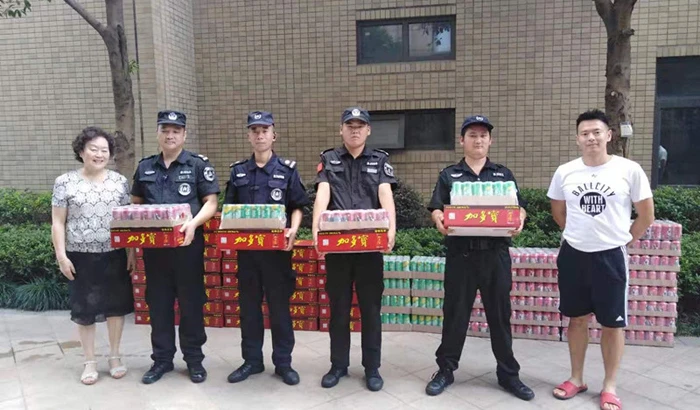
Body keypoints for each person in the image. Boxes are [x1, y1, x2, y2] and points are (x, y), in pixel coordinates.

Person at [548, 109, 654, 410]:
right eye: (585, 133)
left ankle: (609, 386)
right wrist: (579, 235)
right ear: (577, 138)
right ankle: (576, 378)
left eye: (597, 132)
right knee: (576, 318)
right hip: (573, 255)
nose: (591, 138)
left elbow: (646, 215)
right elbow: (559, 212)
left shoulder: (629, 170)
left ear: (609, 135)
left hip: (611, 257)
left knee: (612, 323)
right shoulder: (565, 172)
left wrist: (622, 240)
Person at [425, 115, 534, 401]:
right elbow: (436, 207)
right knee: (455, 314)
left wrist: (520, 219)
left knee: (499, 316)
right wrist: (438, 219)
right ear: (462, 140)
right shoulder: (450, 175)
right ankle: (445, 370)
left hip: (495, 255)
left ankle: (508, 374)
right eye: (472, 135)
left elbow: (519, 207)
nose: (478, 140)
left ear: (490, 140)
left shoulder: (502, 174)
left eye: (483, 135)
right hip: (461, 255)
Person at [131, 110, 220, 384]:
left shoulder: (197, 165)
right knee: (158, 304)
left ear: (184, 134)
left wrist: (193, 224)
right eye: (165, 130)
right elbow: (136, 205)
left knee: (191, 304)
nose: (170, 135)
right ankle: (162, 360)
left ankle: (194, 360)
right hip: (155, 252)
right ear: (158, 133)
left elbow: (211, 202)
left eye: (176, 131)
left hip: (187, 248)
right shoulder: (145, 167)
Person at [312, 107, 397, 392]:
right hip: (338, 249)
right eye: (350, 126)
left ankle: (372, 368)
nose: (355, 130)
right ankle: (338, 365)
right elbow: (322, 195)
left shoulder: (379, 160)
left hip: (369, 249)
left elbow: (385, 195)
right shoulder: (329, 159)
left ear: (368, 130)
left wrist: (391, 231)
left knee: (371, 310)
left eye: (360, 126)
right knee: (338, 309)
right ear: (342, 130)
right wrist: (317, 231)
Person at [224, 111, 310, 386]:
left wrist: (294, 230)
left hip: (277, 255)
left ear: (274, 135)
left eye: (264, 130)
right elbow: (228, 212)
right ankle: (252, 361)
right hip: (247, 255)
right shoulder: (238, 172)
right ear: (249, 136)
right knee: (249, 309)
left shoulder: (287, 170)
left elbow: (297, 206)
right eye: (255, 131)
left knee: (279, 309)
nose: (260, 135)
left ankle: (283, 363)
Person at [51, 127, 134, 385]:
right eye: (93, 149)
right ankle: (89, 361)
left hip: (114, 253)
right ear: (81, 151)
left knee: (115, 308)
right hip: (80, 256)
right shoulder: (64, 182)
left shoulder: (119, 182)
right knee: (84, 310)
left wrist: (131, 252)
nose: (99, 154)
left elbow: (127, 221)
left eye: (104, 150)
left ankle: (115, 356)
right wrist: (61, 256)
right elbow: (57, 222)